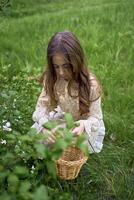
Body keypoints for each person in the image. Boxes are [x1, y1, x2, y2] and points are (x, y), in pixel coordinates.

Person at [32, 31, 105, 153]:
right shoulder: (53, 79)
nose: (61, 72)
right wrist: (45, 126)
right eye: (56, 66)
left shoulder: (90, 85)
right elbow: (41, 107)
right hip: (65, 119)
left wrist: (83, 125)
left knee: (73, 145)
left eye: (66, 66)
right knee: (42, 136)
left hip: (82, 126)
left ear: (77, 61)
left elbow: (96, 117)